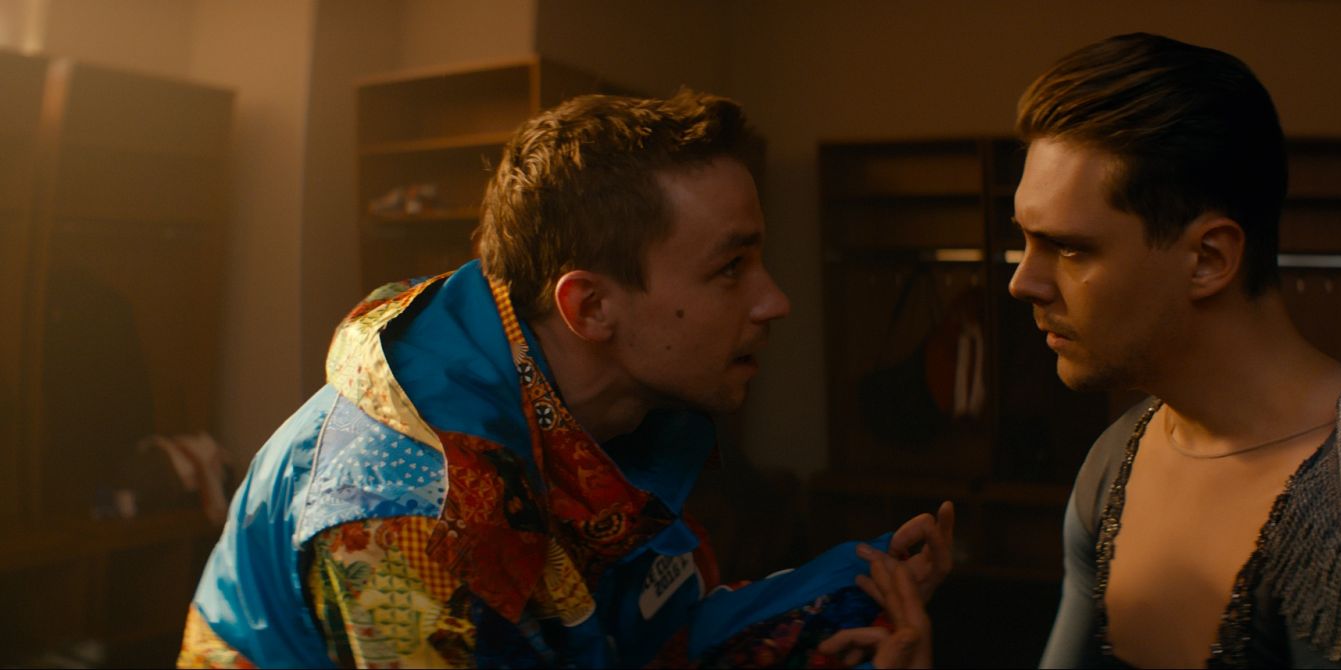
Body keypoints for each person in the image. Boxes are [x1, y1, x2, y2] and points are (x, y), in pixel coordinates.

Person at [177, 89, 950, 668]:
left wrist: (852, 589)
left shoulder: (595, 407)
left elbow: (650, 638)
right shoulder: (406, 522)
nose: (774, 301)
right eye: (730, 268)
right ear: (591, 307)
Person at [1008, 34, 1341, 668]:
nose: (1023, 282)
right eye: (1025, 240)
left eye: (1070, 248)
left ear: (1209, 259)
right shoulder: (1114, 461)